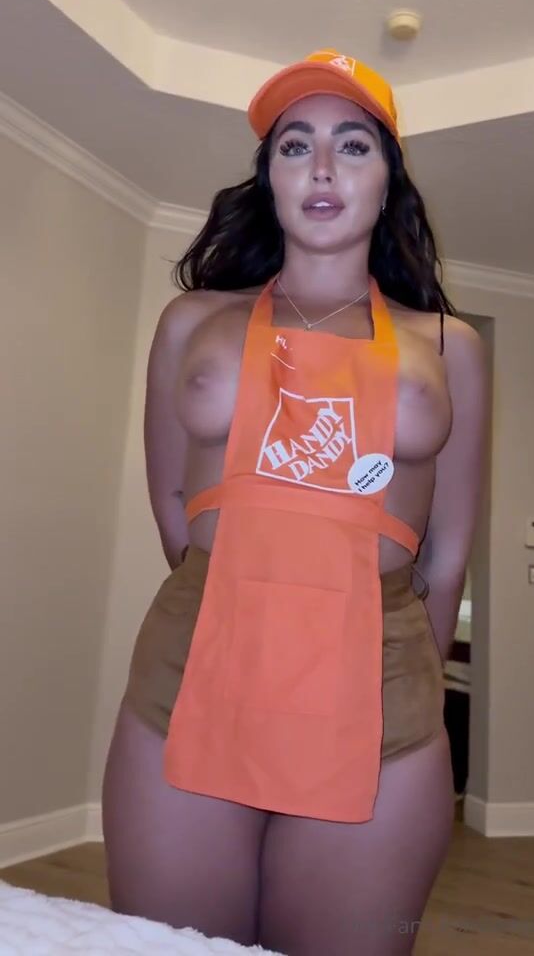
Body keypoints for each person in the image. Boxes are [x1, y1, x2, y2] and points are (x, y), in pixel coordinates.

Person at [102, 49, 487, 955]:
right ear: (269, 176)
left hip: (382, 686)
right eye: (294, 145)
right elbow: (172, 502)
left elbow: (447, 553)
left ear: (388, 180)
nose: (321, 168)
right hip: (194, 665)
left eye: (352, 145)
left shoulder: (450, 344)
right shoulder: (193, 320)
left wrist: (401, 672)